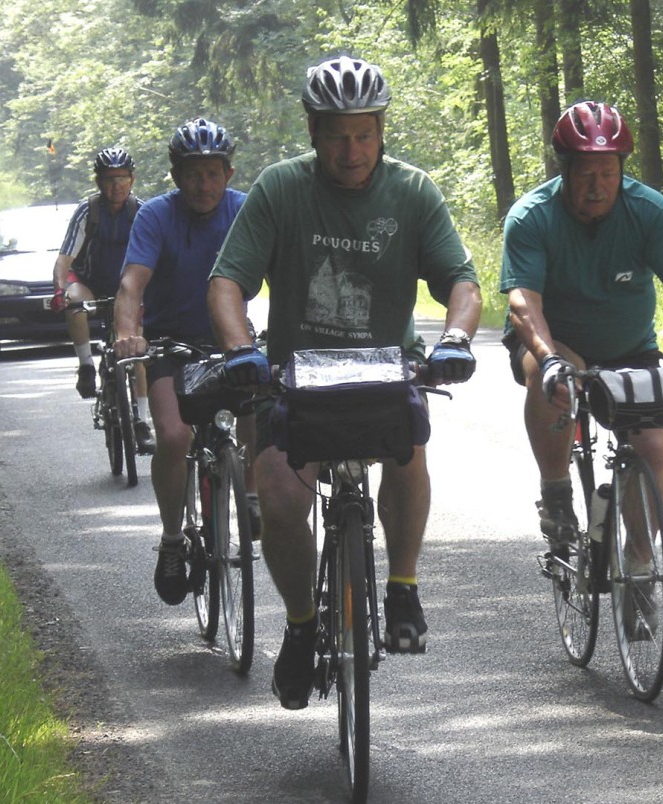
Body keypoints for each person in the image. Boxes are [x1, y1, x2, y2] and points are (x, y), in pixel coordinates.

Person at [207, 55, 481, 710]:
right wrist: (242, 349)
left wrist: (457, 339)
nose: (351, 148)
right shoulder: (280, 190)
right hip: (297, 378)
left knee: (408, 451)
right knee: (276, 491)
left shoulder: (413, 192)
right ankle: (302, 626)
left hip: (387, 371)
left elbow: (461, 283)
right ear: (312, 130)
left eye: (363, 132)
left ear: (381, 129)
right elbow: (227, 283)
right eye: (335, 133)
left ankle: (403, 586)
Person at [498, 100, 663, 552]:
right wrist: (546, 360)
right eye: (585, 173)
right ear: (565, 170)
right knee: (553, 379)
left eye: (607, 172)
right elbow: (524, 301)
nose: (597, 185)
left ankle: (638, 567)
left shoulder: (648, 210)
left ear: (621, 169)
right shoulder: (532, 216)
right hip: (554, 339)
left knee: (653, 450)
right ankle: (557, 491)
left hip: (629, 348)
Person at [112, 117, 255, 607]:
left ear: (229, 174)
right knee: (174, 436)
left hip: (230, 340)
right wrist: (130, 334)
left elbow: (283, 268)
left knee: (264, 405)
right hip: (170, 344)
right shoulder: (155, 216)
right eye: (193, 173)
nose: (203, 184)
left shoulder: (245, 211)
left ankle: (251, 496)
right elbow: (132, 284)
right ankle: (173, 538)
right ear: (176, 176)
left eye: (213, 173)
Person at [52, 147, 155, 451]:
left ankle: (142, 422)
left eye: (122, 178)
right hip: (90, 282)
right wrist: (59, 289)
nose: (116, 186)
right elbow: (64, 260)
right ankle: (85, 366)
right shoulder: (88, 211)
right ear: (98, 182)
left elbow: (158, 258)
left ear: (132, 179)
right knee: (74, 301)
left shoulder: (142, 211)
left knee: (137, 347)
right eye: (109, 179)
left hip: (129, 288)